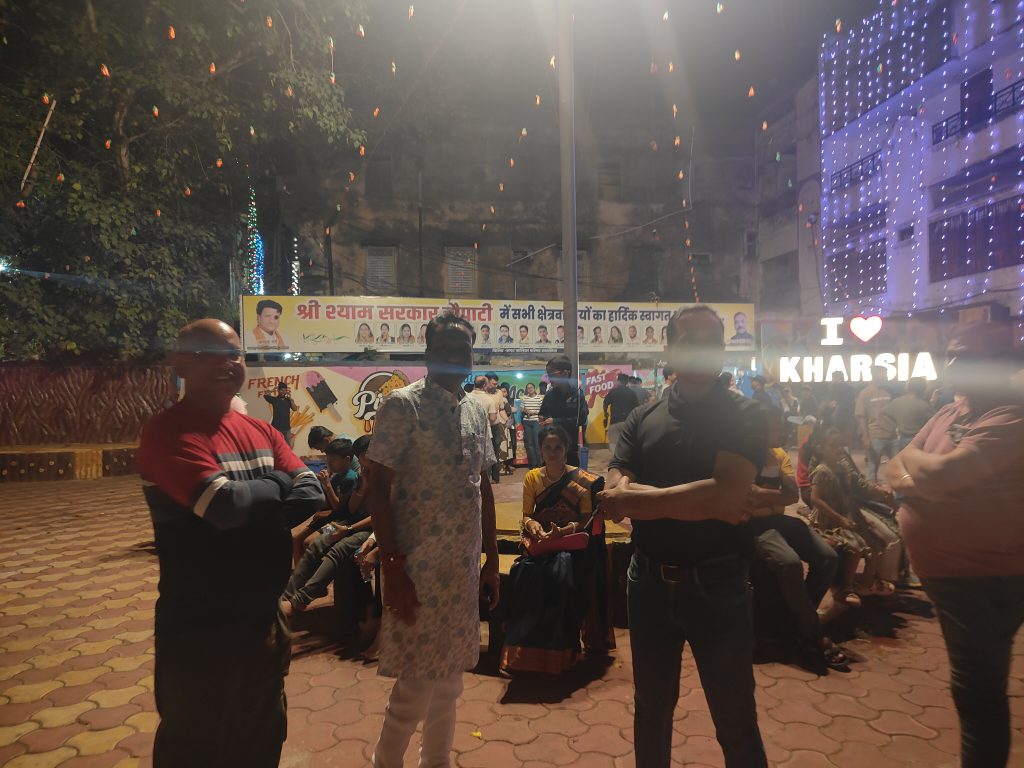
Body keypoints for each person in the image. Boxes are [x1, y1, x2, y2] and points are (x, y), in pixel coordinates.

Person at [138, 319, 325, 767]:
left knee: (262, 737)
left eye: (234, 353)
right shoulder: (169, 432)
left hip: (263, 621)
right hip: (201, 627)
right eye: (210, 352)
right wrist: (278, 483)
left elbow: (312, 495)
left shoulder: (261, 430)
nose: (226, 363)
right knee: (196, 744)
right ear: (180, 362)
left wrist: (251, 502)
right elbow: (225, 505)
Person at [598, 305, 769, 768]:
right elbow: (615, 483)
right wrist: (696, 498)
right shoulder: (644, 416)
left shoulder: (746, 414)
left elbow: (724, 496)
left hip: (719, 585)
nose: (703, 350)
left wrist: (634, 499)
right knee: (651, 708)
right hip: (648, 583)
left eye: (713, 340)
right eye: (692, 341)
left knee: (734, 717)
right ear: (670, 348)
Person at [365, 313, 500, 768]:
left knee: (451, 680)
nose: (455, 357)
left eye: (463, 349)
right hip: (416, 570)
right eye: (444, 348)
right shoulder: (403, 406)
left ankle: (436, 761)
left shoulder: (476, 409)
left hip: (460, 570)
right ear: (427, 354)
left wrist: (491, 559)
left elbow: (483, 486)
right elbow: (377, 486)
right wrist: (393, 567)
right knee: (415, 685)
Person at [887, 323, 1024, 768]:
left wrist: (923, 471)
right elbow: (892, 467)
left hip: (986, 576)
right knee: (975, 688)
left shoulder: (1011, 415)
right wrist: (925, 477)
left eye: (965, 356)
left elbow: (936, 473)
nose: (952, 364)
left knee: (977, 693)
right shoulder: (951, 410)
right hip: (953, 577)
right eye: (950, 354)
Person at [500, 426, 613, 675]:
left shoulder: (582, 480)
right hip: (541, 544)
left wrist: (563, 531)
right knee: (523, 574)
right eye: (547, 448)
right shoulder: (532, 478)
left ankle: (560, 655)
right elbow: (527, 515)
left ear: (566, 449)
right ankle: (523, 655)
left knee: (560, 574)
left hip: (572, 546)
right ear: (540, 450)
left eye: (558, 447)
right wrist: (534, 526)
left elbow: (585, 520)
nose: (553, 453)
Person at [745, 409, 844, 670]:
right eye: (776, 427)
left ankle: (795, 621)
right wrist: (771, 495)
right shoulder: (742, 457)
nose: (782, 431)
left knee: (828, 558)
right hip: (752, 525)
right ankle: (811, 633)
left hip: (777, 520)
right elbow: (745, 498)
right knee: (789, 563)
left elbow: (791, 496)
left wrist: (762, 494)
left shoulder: (777, 455)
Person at [809, 428, 901, 607]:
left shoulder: (843, 468)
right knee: (857, 545)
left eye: (840, 445)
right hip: (829, 522)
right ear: (820, 448)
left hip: (847, 515)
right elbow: (815, 499)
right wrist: (840, 519)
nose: (838, 449)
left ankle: (867, 582)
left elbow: (853, 492)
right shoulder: (822, 471)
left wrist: (860, 516)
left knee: (876, 543)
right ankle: (846, 587)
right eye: (833, 445)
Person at [282, 437, 373, 618]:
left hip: (368, 529)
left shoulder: (384, 478)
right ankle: (287, 594)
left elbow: (377, 516)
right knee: (316, 544)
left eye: (367, 457)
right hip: (348, 522)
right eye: (362, 458)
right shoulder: (361, 477)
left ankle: (301, 599)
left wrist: (348, 529)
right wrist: (363, 487)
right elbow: (352, 509)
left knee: (338, 549)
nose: (364, 463)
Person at [290, 438, 358, 565]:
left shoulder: (350, 477)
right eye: (328, 459)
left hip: (340, 522)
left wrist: (327, 484)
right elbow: (327, 503)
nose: (329, 463)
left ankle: (313, 575)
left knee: (308, 542)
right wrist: (321, 483)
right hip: (330, 517)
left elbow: (338, 507)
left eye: (334, 460)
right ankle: (300, 575)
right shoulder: (336, 475)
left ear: (347, 460)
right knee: (296, 538)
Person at [539, 355, 589, 467]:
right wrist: (542, 420)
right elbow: (542, 415)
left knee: (571, 476)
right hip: (551, 449)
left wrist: (555, 421)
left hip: (570, 450)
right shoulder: (549, 395)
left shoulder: (577, 394)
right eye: (548, 375)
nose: (549, 378)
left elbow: (581, 420)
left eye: (552, 374)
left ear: (565, 373)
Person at [856, 367, 896, 482]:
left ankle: (897, 492)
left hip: (893, 435)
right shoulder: (865, 393)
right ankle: (872, 490)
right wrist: (865, 437)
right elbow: (861, 416)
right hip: (875, 435)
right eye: (884, 373)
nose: (886, 376)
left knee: (897, 465)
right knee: (873, 468)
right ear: (875, 374)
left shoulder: (891, 391)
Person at [883, 377, 932, 451]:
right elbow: (933, 422)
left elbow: (883, 414)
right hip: (919, 439)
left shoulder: (897, 402)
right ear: (923, 388)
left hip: (902, 438)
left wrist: (893, 427)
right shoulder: (924, 405)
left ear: (908, 387)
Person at [469, 375, 502, 483]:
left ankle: (477, 480)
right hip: (488, 430)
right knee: (489, 456)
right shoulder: (489, 399)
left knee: (475, 456)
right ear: (484, 385)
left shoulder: (467, 397)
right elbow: (492, 418)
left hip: (471, 432)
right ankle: (487, 481)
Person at [604, 373, 639, 456]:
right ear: (627, 382)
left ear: (618, 381)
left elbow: (605, 403)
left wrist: (606, 414)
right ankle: (625, 459)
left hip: (615, 421)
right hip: (628, 422)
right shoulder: (632, 393)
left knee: (613, 442)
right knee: (627, 442)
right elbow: (637, 408)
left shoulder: (613, 392)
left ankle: (616, 458)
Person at [520, 382, 544, 468]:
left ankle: (540, 464)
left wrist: (533, 412)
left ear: (534, 388)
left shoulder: (539, 398)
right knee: (529, 444)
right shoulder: (525, 398)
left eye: (531, 388)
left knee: (537, 443)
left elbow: (542, 411)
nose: (529, 389)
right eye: (528, 388)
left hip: (536, 422)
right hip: (527, 422)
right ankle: (533, 464)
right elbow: (521, 409)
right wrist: (525, 410)